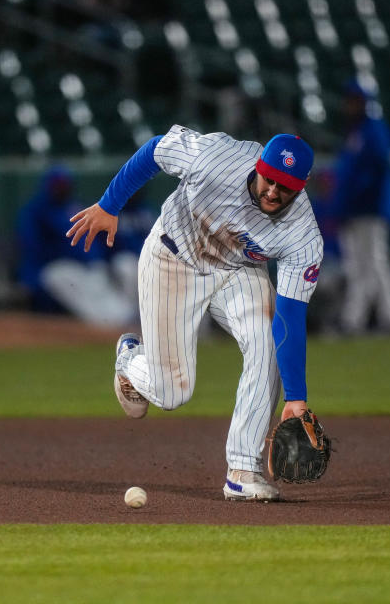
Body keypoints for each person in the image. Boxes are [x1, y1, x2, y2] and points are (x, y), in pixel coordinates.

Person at [66, 126, 323, 502]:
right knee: (171, 393)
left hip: (238, 271)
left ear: (302, 186)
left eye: (285, 187)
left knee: (267, 340)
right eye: (269, 179)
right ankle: (130, 360)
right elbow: (155, 150)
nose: (272, 191)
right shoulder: (215, 157)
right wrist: (109, 205)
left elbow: (289, 317)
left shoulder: (303, 236)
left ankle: (242, 469)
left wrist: (296, 397)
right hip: (174, 257)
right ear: (259, 165)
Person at [332, 80, 390, 337]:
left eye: (355, 100)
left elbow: (379, 170)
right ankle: (355, 320)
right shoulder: (354, 131)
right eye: (349, 99)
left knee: (375, 263)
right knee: (359, 267)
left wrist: (356, 199)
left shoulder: (374, 130)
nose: (350, 104)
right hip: (354, 210)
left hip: (371, 209)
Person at [17, 164, 134, 326]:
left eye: (64, 184)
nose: (62, 188)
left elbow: (104, 237)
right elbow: (33, 246)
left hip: (90, 265)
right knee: (66, 276)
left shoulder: (77, 206)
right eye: (58, 184)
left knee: (105, 280)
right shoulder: (36, 211)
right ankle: (100, 324)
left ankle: (123, 318)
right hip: (58, 266)